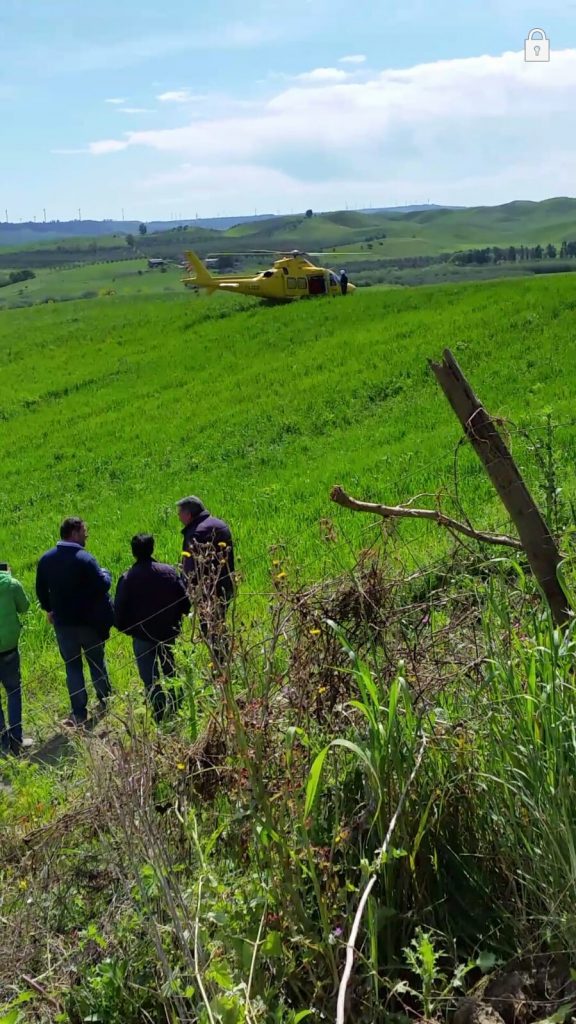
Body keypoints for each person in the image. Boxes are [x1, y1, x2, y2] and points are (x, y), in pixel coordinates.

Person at [35, 517, 114, 728]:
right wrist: (107, 574)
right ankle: (106, 700)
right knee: (97, 662)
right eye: (84, 531)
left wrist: (49, 609)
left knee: (73, 668)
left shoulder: (46, 559)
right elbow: (102, 585)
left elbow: (40, 590)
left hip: (64, 626)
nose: (86, 534)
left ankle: (79, 713)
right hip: (89, 624)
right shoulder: (85, 559)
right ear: (74, 532)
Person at [114, 534, 190, 721]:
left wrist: (129, 630)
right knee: (171, 668)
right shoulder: (169, 572)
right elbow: (185, 601)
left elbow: (119, 611)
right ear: (152, 548)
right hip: (168, 631)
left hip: (142, 636)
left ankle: (158, 710)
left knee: (149, 676)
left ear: (133, 552)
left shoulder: (127, 578)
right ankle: (177, 705)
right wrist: (177, 620)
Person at [176, 496, 235, 668]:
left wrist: (188, 590)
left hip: (208, 590)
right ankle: (226, 664)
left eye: (180, 513)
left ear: (189, 514)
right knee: (220, 624)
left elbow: (190, 568)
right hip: (226, 583)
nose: (179, 517)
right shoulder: (219, 524)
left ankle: (220, 667)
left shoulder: (196, 532)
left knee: (210, 629)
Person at [0, 562, 30, 756]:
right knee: (13, 691)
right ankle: (16, 740)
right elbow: (25, 606)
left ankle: (2, 744)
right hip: (9, 650)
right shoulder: (11, 584)